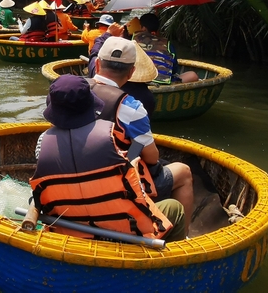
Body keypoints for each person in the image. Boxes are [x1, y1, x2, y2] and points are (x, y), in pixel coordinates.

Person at [30, 74, 184, 242]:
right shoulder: (112, 135)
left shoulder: (42, 143)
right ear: (90, 104)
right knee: (174, 207)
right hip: (123, 230)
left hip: (68, 229)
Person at [89, 37, 193, 231]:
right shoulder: (132, 107)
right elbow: (152, 158)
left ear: (97, 64)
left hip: (77, 173)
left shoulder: (74, 92)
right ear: (131, 72)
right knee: (184, 172)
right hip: (116, 183)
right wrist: (134, 148)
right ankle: (184, 235)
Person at [133, 13, 200, 84]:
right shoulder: (167, 43)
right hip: (162, 82)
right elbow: (174, 69)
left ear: (143, 28)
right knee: (192, 75)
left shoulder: (133, 41)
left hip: (138, 82)